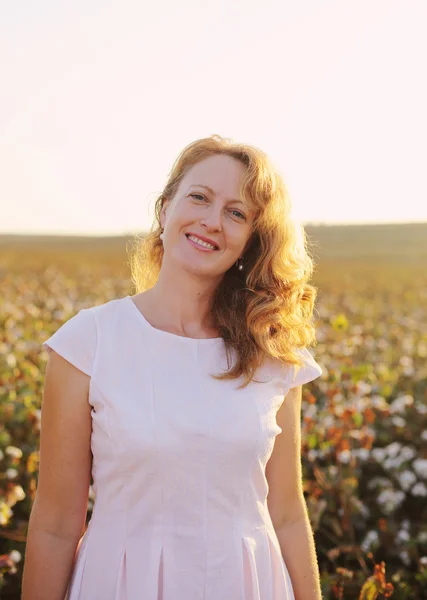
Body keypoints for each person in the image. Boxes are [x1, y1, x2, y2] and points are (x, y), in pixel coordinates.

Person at [22, 134, 323, 600]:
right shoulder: (88, 343)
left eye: (236, 213)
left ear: (249, 243)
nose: (212, 221)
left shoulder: (273, 355)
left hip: (249, 585)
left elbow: (286, 512)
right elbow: (57, 526)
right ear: (165, 210)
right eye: (199, 198)